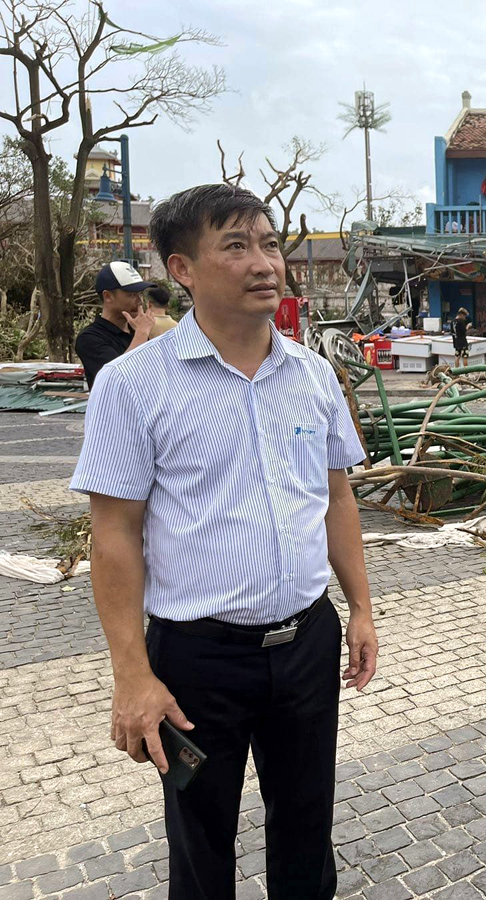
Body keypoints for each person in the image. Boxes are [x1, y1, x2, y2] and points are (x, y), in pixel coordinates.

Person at [70, 184, 378, 900]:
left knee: (307, 826)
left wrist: (359, 607)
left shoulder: (313, 377)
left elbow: (336, 498)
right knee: (200, 837)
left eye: (267, 244)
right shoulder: (132, 385)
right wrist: (132, 675)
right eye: (235, 247)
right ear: (182, 268)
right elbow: (114, 535)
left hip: (306, 642)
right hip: (194, 659)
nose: (262, 262)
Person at [75, 260, 158, 388]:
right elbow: (116, 378)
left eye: (140, 294)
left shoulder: (135, 331)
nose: (139, 301)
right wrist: (141, 334)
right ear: (108, 296)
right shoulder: (90, 338)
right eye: (131, 295)